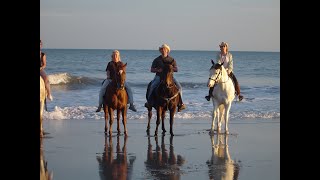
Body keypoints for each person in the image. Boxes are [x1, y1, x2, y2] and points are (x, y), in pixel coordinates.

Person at [145, 44, 186, 112]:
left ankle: (180, 104)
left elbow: (176, 69)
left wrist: (171, 68)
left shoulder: (171, 60)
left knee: (179, 87)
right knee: (152, 86)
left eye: (164, 49)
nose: (163, 50)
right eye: (162, 49)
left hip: (170, 77)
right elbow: (152, 69)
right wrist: (158, 70)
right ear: (160, 51)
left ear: (167, 50)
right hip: (159, 77)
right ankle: (149, 102)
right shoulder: (157, 59)